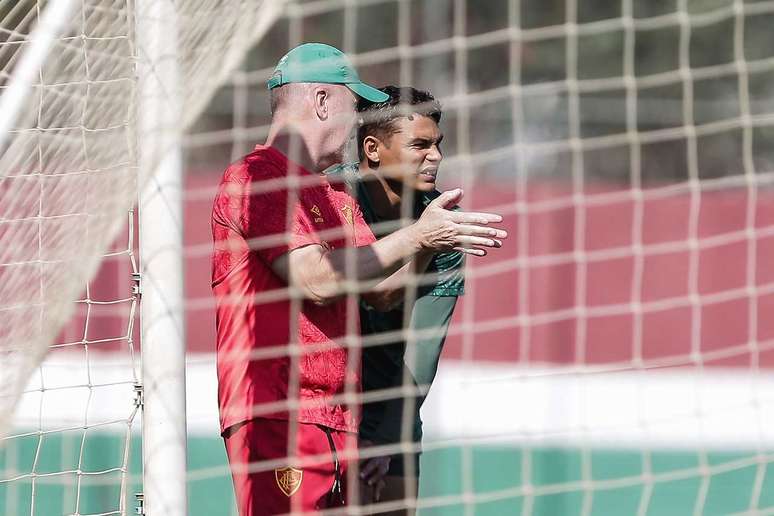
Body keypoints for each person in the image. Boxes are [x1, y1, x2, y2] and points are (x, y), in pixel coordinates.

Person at [211, 45, 507, 515]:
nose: (356, 124)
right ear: (323, 102)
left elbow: (383, 293)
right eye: (353, 108)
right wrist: (418, 237)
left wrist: (430, 242)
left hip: (341, 421)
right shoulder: (255, 177)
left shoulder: (334, 197)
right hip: (280, 411)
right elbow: (315, 278)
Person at [328, 86, 471, 514]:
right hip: (320, 399)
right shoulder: (328, 200)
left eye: (438, 145)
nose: (436, 157)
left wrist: (384, 439)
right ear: (372, 148)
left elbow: (421, 352)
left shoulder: (445, 223)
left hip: (392, 404)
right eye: (420, 145)